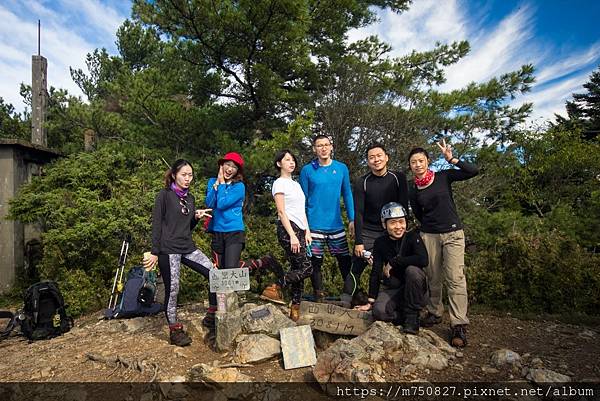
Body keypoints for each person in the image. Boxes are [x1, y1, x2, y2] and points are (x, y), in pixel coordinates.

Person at [408, 140, 479, 347]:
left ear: (428, 162)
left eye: (421, 160)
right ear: (410, 165)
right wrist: (428, 230)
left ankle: (458, 324)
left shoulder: (443, 176)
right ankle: (434, 312)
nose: (418, 165)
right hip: (429, 234)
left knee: (455, 277)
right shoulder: (413, 189)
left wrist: (451, 159)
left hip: (453, 233)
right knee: (433, 276)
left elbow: (472, 171)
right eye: (414, 162)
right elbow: (419, 213)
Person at [144, 159, 213, 347]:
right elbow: (157, 225)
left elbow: (186, 228)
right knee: (173, 290)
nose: (188, 178)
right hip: (168, 250)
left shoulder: (189, 198)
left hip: (187, 247)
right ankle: (175, 330)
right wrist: (154, 252)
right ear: (174, 175)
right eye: (184, 174)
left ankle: (213, 315)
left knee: (215, 275)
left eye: (190, 175)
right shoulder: (164, 195)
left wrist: (196, 218)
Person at [342, 143, 409, 301]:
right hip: (368, 230)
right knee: (357, 266)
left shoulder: (398, 178)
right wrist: (359, 241)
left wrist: (403, 234)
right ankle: (345, 300)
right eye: (371, 157)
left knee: (393, 268)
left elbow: (404, 208)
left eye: (379, 156)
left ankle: (392, 303)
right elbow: (358, 212)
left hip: (392, 230)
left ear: (386, 158)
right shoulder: (362, 182)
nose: (376, 159)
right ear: (367, 161)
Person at [354, 203, 428, 334]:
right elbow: (376, 272)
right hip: (396, 289)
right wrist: (370, 301)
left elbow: (423, 260)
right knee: (379, 312)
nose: (398, 227)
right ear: (384, 225)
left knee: (412, 271)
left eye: (401, 222)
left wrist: (394, 262)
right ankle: (404, 316)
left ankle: (412, 318)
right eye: (393, 223)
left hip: (416, 289)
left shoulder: (412, 237)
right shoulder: (381, 243)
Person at [299, 135, 354, 302]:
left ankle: (352, 294)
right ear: (314, 149)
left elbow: (347, 194)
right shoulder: (307, 170)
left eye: (326, 145)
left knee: (344, 261)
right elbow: (302, 199)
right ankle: (318, 294)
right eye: (319, 145)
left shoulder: (341, 168)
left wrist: (352, 219)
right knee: (315, 262)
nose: (323, 148)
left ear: (331, 147)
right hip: (314, 225)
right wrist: (304, 225)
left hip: (336, 224)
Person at [260, 150, 313, 321]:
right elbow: (282, 212)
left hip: (300, 229)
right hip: (287, 229)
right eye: (287, 160)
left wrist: (307, 231)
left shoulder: (296, 185)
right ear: (279, 164)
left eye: (293, 160)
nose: (291, 163)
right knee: (307, 268)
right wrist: (292, 235)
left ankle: (295, 308)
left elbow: (301, 209)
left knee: (298, 267)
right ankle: (275, 285)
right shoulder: (279, 183)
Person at [203, 152, 245, 327]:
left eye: (234, 167)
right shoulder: (212, 182)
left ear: (237, 171)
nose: (230, 169)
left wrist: (220, 185)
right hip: (217, 232)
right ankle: (215, 309)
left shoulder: (239, 186)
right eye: (227, 164)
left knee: (229, 271)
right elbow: (209, 202)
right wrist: (218, 183)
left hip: (234, 232)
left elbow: (222, 203)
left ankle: (228, 310)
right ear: (221, 165)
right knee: (217, 272)